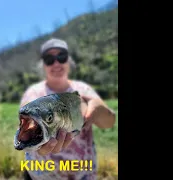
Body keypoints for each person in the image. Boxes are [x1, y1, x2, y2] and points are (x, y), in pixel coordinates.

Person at [20, 38, 116, 180]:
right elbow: (26, 128)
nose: (56, 63)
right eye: (49, 59)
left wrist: (99, 109)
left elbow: (110, 122)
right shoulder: (33, 93)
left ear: (69, 60)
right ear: (43, 65)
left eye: (61, 57)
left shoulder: (83, 89)